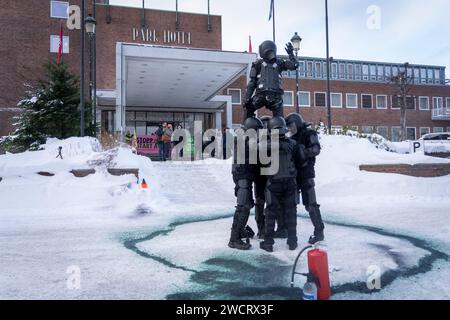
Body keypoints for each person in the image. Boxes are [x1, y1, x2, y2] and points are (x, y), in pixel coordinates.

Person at [260, 116, 299, 252]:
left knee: (270, 213)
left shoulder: (267, 144)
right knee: (291, 212)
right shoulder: (293, 143)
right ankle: (292, 241)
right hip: (290, 182)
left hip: (274, 183)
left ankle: (268, 243)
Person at [285, 113, 325, 244]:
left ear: (297, 123)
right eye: (289, 127)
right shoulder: (292, 138)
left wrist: (304, 152)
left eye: (291, 125)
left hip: (306, 174)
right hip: (294, 175)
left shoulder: (309, 133)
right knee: (292, 205)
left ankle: (319, 232)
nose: (290, 129)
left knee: (311, 205)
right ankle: (291, 234)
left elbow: (316, 149)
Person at [228, 117, 264, 250]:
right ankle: (234, 239)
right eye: (257, 129)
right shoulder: (244, 139)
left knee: (246, 205)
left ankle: (239, 231)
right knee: (243, 207)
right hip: (243, 176)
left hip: (244, 176)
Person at [243, 40, 299, 119]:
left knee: (249, 109)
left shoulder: (260, 64)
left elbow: (252, 83)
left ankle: (248, 128)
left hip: (265, 96)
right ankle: (278, 129)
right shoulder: (277, 63)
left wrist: (247, 98)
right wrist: (291, 54)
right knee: (279, 118)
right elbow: (295, 65)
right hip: (271, 97)